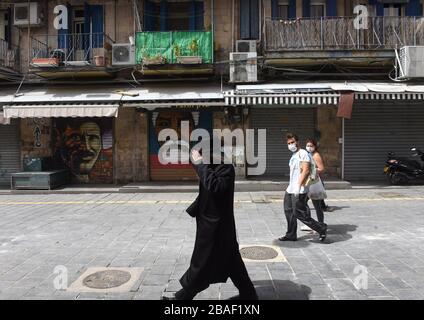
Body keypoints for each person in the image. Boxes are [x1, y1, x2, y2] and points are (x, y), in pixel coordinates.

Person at [163, 145, 258, 300]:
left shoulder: (225, 168)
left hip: (217, 227)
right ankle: (249, 294)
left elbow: (215, 187)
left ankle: (183, 297)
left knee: (201, 262)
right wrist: (194, 209)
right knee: (232, 261)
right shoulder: (212, 168)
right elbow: (206, 193)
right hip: (212, 225)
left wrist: (200, 164)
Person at [278, 133, 328, 242]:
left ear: (297, 142)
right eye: (288, 143)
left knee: (299, 214)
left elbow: (305, 171)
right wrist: (291, 187)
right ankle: (291, 234)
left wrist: (298, 186)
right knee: (288, 211)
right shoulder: (294, 155)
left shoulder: (303, 153)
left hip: (299, 190)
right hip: (290, 188)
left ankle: (321, 228)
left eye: (292, 142)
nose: (290, 145)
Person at [301, 138, 326, 231]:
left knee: (316, 205)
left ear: (315, 147)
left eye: (311, 146)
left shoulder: (316, 155)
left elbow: (321, 169)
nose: (309, 147)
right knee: (303, 202)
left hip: (314, 183)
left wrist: (310, 171)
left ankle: (320, 224)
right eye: (307, 145)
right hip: (308, 182)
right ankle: (311, 224)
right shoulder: (308, 154)